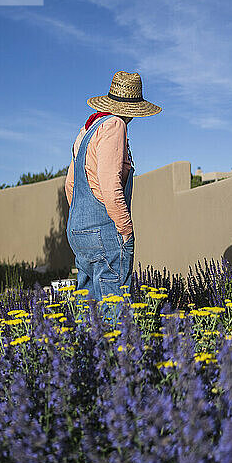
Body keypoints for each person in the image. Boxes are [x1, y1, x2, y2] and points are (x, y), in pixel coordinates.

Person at [65, 70, 162, 318]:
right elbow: (110, 185)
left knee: (87, 311)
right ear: (133, 108)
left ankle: (84, 356)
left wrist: (83, 220)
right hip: (105, 231)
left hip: (78, 229)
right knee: (113, 312)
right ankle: (114, 358)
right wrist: (125, 228)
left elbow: (70, 185)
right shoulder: (115, 125)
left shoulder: (86, 130)